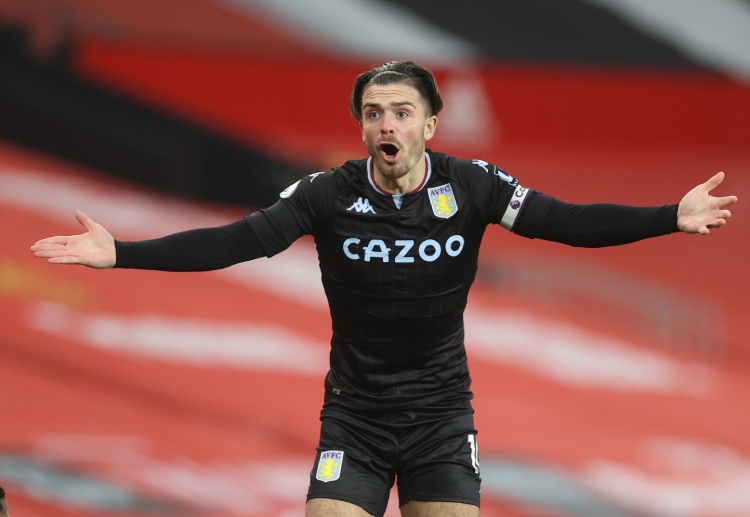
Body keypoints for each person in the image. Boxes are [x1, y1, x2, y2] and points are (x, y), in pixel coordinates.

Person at [31, 61, 737, 517]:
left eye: (400, 111)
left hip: (441, 419)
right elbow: (238, 241)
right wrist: (122, 253)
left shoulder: (473, 186)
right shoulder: (327, 194)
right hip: (355, 419)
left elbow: (566, 222)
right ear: (362, 127)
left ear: (430, 124)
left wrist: (667, 216)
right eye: (373, 113)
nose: (385, 124)